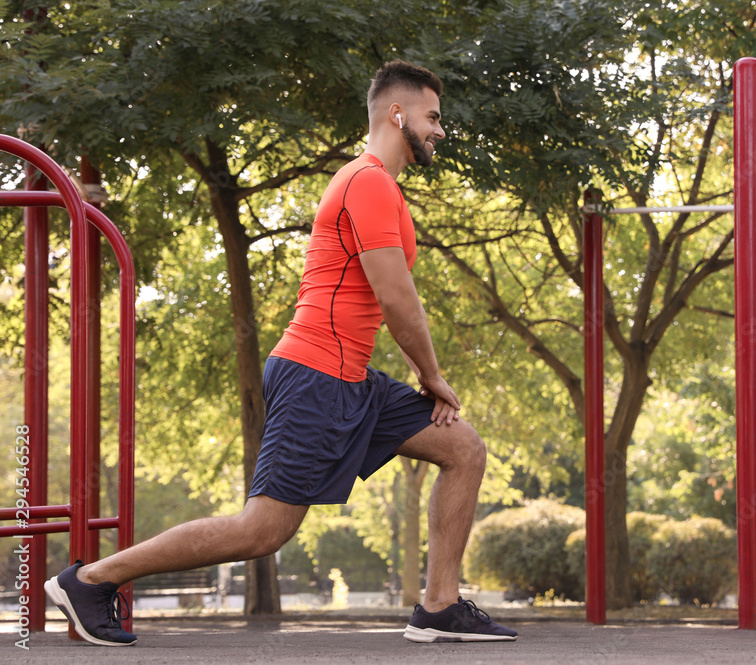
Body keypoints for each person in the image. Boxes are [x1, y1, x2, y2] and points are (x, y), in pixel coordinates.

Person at [44, 60, 517, 646]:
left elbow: (385, 296)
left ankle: (440, 605)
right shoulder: (365, 181)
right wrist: (432, 376)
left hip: (350, 377)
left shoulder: (379, 186)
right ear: (398, 114)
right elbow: (396, 297)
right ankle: (90, 580)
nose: (441, 129)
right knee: (262, 531)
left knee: (463, 448)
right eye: (433, 116)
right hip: (316, 372)